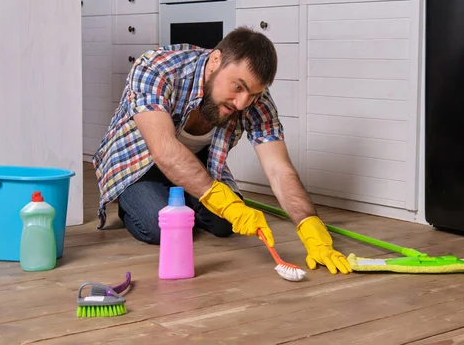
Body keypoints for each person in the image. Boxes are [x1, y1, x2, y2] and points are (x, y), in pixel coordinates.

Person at [92, 27, 351, 275]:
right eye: (237, 87)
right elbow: (164, 149)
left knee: (225, 225)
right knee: (158, 228)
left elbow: (278, 168)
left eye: (253, 94)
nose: (242, 103)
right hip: (139, 162)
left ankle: (184, 198)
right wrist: (223, 201)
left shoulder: (255, 101)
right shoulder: (157, 68)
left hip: (196, 161)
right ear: (216, 60)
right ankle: (128, 197)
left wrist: (309, 224)